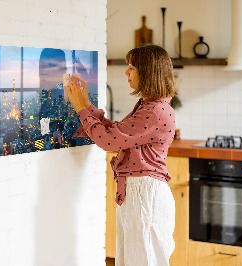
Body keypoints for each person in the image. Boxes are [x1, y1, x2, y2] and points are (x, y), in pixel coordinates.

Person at [65, 44, 177, 266]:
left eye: (132, 67)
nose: (126, 72)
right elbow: (116, 133)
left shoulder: (154, 111)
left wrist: (80, 108)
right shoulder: (150, 106)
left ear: (148, 72)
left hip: (145, 195)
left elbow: (108, 141)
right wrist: (86, 104)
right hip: (140, 193)